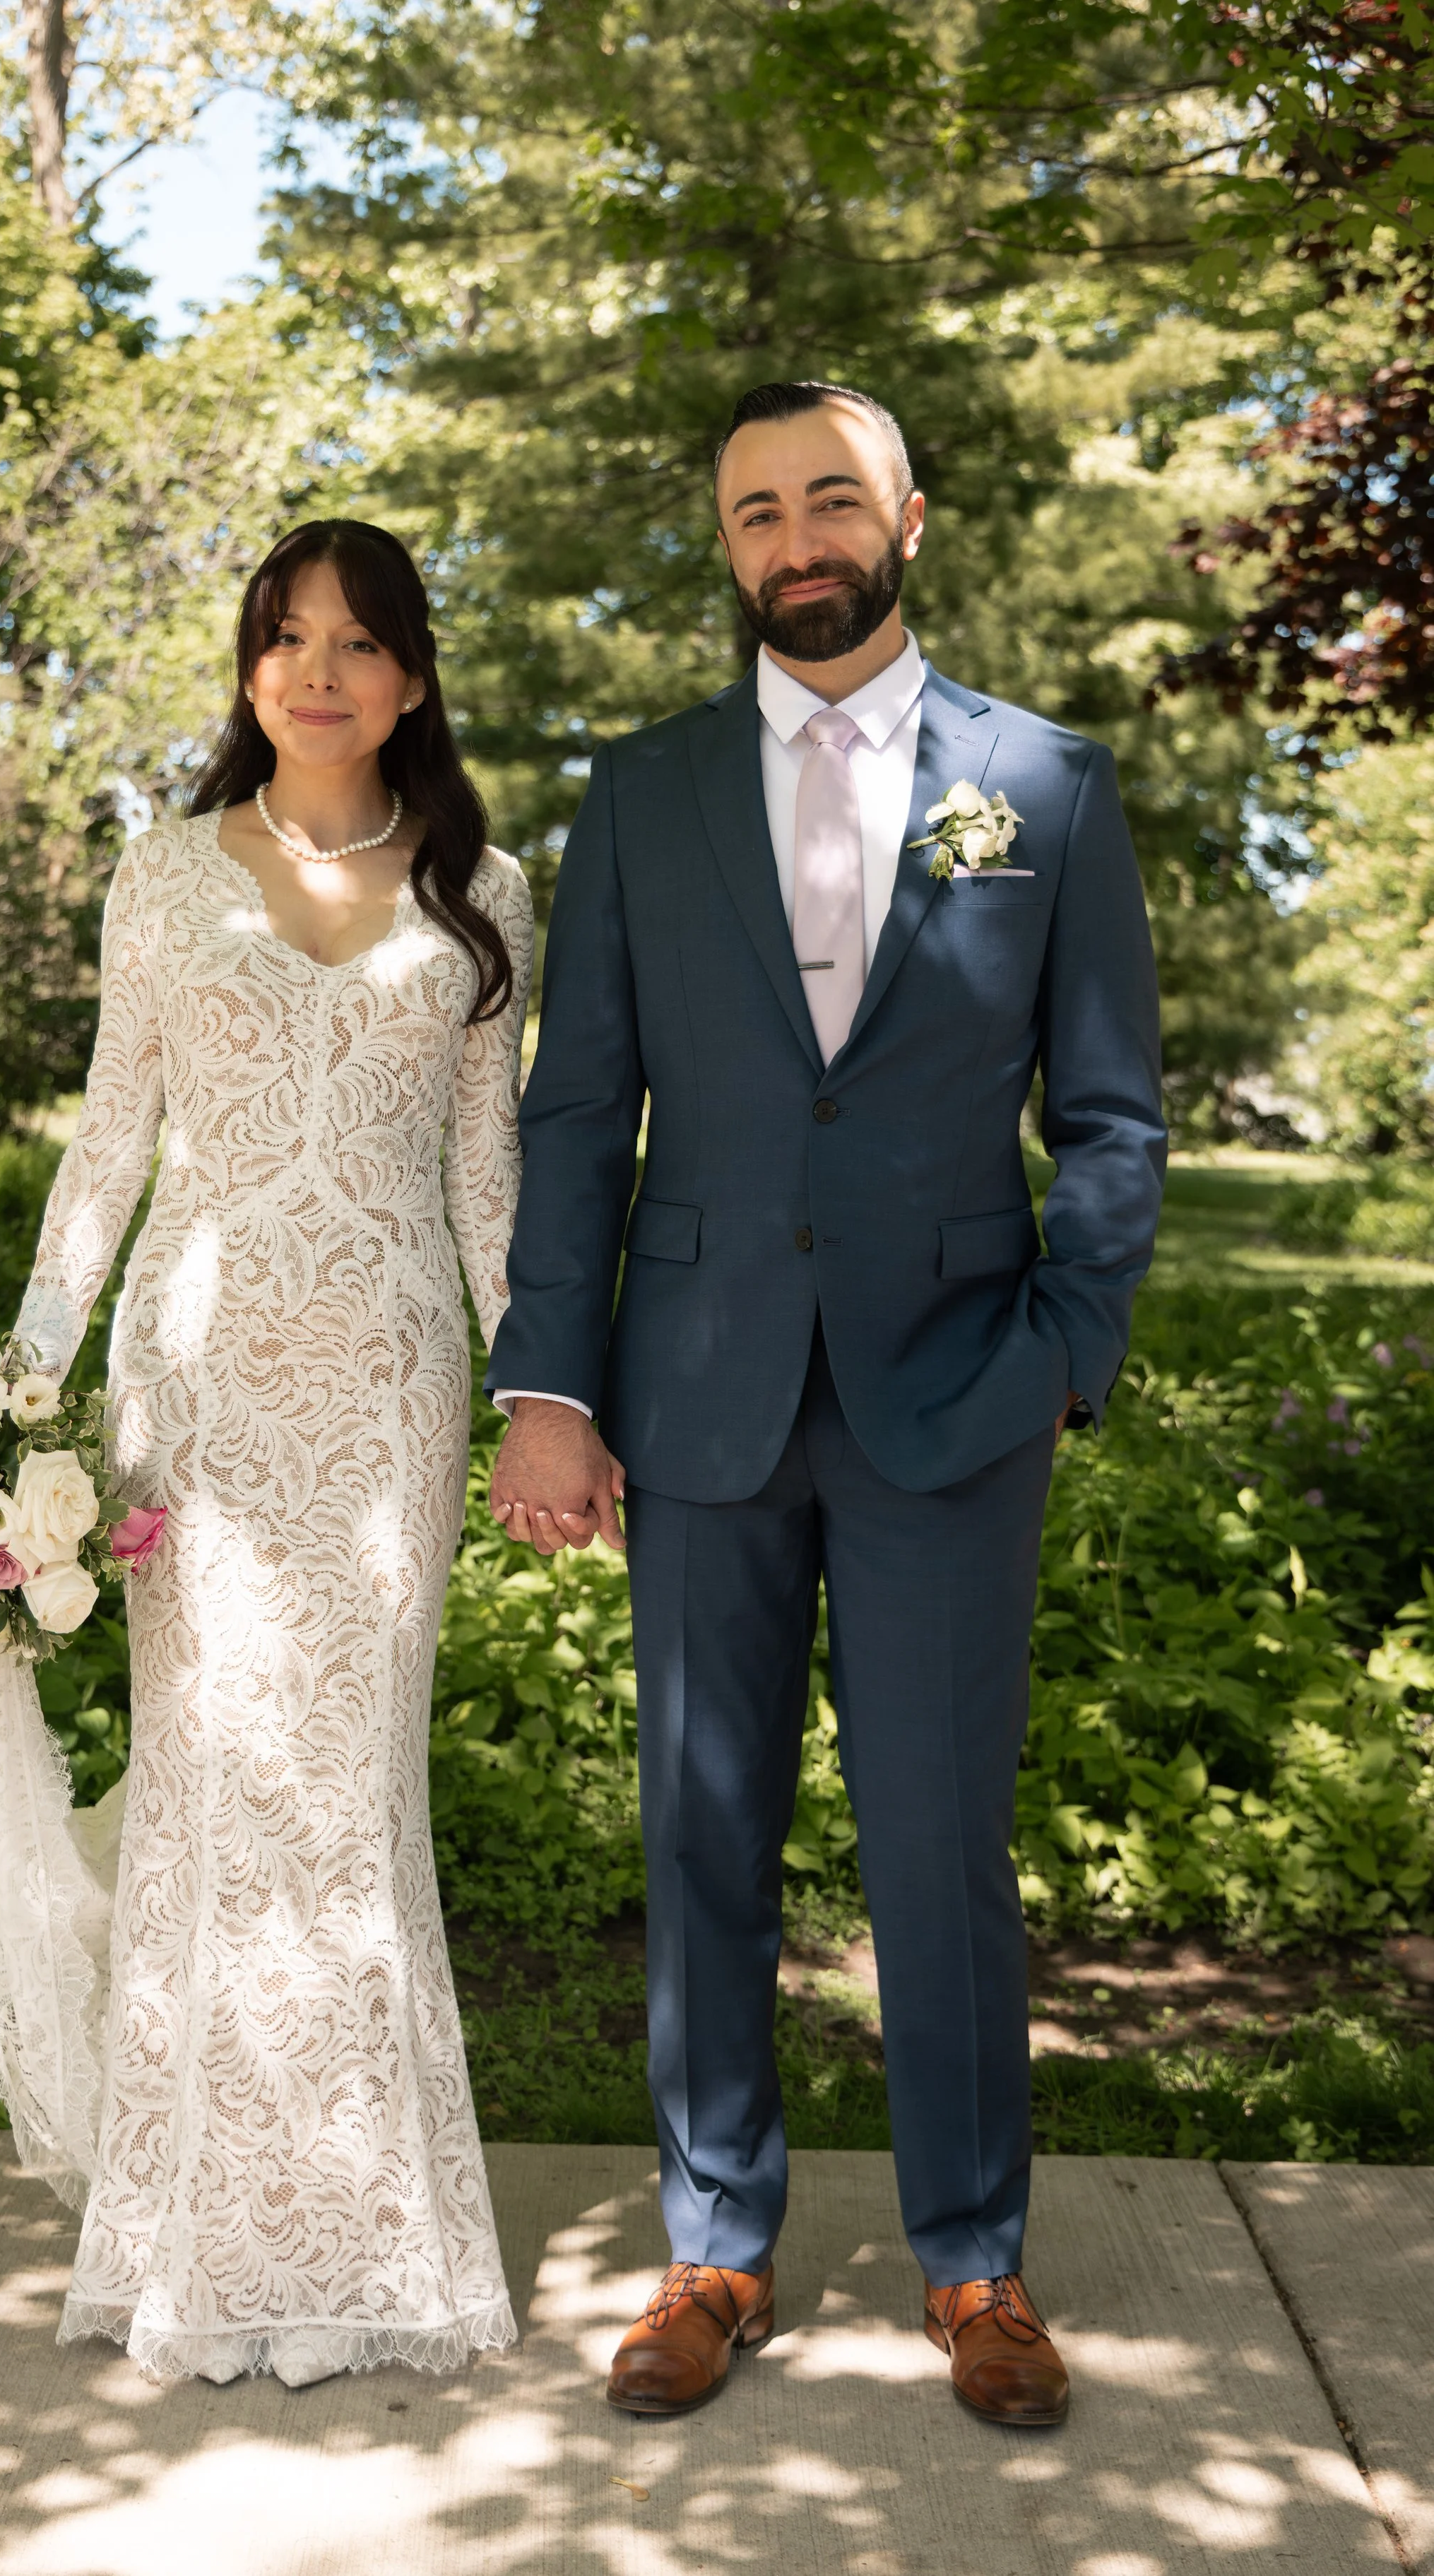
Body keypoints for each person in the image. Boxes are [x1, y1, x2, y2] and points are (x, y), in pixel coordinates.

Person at [487, 381, 1165, 2427]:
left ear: (906, 518)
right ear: (727, 546)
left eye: (832, 500)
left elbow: (1113, 1115)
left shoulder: (1042, 786)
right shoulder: (644, 789)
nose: (797, 540)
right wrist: (549, 1383)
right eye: (758, 511)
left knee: (939, 1842)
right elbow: (579, 1108)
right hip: (697, 1386)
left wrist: (1062, 1353)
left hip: (955, 1391)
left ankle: (974, 2265)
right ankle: (713, 2247)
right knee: (702, 1826)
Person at [0, 518, 534, 2388]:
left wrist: (550, 1394)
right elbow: (106, 1151)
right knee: (209, 1786)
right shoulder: (160, 872)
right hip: (190, 1392)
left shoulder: (484, 889)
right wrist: (1, 1406)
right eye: (286, 637)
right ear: (249, 667)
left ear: (413, 677)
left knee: (351, 1794)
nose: (318, 672)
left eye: (358, 642)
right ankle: (184, 2244)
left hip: (385, 1397)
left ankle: (372, 2239)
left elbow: (490, 1185)